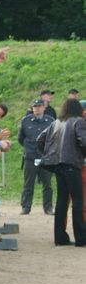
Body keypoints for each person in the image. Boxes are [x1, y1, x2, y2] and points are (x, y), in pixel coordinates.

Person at [37, 98, 86, 246]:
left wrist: (49, 154)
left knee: (62, 200)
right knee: (78, 200)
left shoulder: (56, 122)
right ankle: (81, 238)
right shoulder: (79, 121)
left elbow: (40, 139)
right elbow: (84, 141)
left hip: (57, 164)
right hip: (72, 163)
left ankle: (60, 237)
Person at [17, 98, 55, 215]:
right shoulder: (26, 121)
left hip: (45, 157)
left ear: (44, 107)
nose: (37, 109)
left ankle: (48, 207)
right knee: (28, 183)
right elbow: (21, 138)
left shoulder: (51, 121)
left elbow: (54, 138)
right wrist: (29, 149)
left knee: (47, 184)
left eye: (39, 107)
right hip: (30, 157)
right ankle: (26, 207)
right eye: (35, 107)